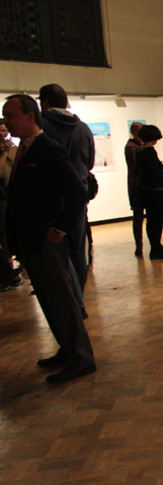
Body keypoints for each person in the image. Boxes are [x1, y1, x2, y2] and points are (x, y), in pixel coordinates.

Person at [2, 94, 96, 383]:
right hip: (31, 239)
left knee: (62, 300)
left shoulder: (48, 149)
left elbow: (77, 192)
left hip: (47, 240)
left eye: (10, 115)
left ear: (30, 115)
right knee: (49, 299)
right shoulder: (25, 149)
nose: (6, 121)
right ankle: (67, 350)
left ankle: (81, 357)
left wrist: (60, 229)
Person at [38, 83, 94, 317]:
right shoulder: (82, 128)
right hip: (78, 195)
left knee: (56, 251)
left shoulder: (42, 125)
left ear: (45, 102)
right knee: (78, 251)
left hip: (51, 196)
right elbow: (90, 162)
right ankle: (78, 301)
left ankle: (71, 303)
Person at [134, 125, 163, 260]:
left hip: (145, 190)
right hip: (155, 191)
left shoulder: (139, 151)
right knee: (157, 219)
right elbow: (154, 173)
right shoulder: (149, 152)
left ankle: (155, 245)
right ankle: (155, 248)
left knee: (152, 219)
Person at [0, 120, 22, 291]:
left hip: (11, 195)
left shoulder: (14, 148)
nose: (4, 133)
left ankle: (11, 273)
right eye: (1, 130)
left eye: (5, 130)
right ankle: (10, 271)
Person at [124, 121, 145, 257]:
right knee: (138, 216)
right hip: (136, 185)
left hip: (141, 184)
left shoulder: (137, 146)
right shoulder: (132, 147)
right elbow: (138, 164)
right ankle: (139, 245)